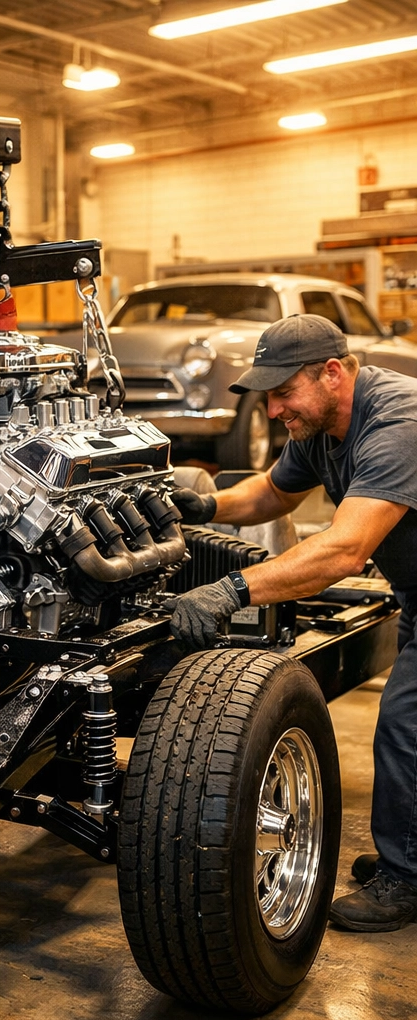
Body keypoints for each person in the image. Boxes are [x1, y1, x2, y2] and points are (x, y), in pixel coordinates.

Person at [167, 313, 417, 930]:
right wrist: (206, 504)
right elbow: (274, 494)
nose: (275, 409)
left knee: (406, 723)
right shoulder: (322, 424)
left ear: (333, 373)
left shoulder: (396, 423)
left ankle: (406, 879)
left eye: (283, 392)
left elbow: (343, 550)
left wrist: (232, 590)